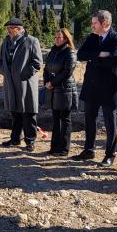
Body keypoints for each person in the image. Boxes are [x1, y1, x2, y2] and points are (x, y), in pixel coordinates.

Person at [72, 10, 117, 167]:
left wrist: (93, 57)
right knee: (89, 119)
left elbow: (114, 58)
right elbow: (80, 55)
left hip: (109, 88)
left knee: (110, 122)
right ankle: (89, 150)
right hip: (92, 86)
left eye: (95, 23)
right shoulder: (92, 38)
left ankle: (110, 155)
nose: (92, 26)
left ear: (105, 23)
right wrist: (100, 54)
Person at [0, 17, 43, 151]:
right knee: (15, 112)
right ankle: (15, 139)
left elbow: (37, 63)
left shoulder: (31, 41)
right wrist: (3, 70)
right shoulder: (6, 41)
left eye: (11, 28)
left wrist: (23, 75)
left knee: (29, 113)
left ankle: (30, 141)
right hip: (10, 83)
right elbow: (0, 60)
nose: (9, 31)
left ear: (20, 29)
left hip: (26, 83)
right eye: (8, 28)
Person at [43, 28, 77, 156]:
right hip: (53, 89)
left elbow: (67, 72)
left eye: (59, 37)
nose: (57, 39)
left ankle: (63, 149)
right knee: (56, 119)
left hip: (65, 89)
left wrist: (53, 83)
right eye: (55, 37)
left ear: (66, 39)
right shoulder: (52, 52)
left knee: (65, 119)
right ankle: (54, 147)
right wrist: (47, 82)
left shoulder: (70, 52)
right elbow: (46, 69)